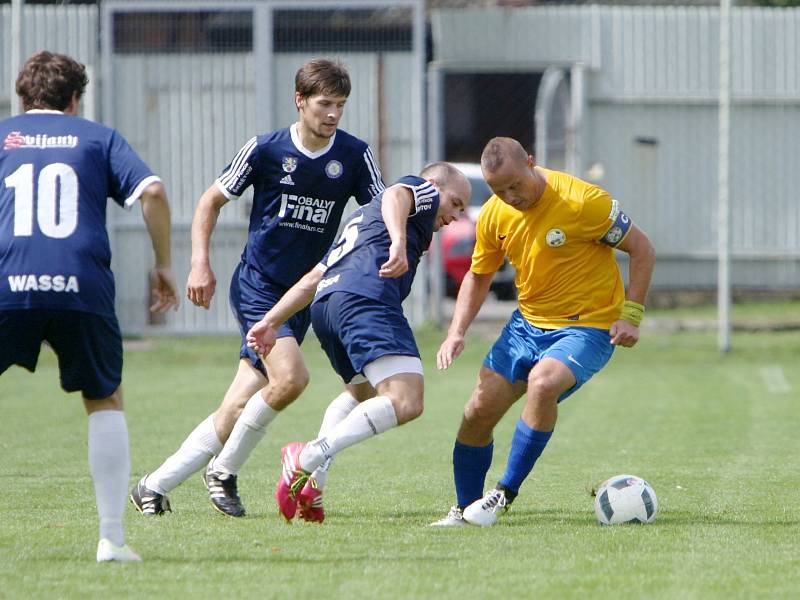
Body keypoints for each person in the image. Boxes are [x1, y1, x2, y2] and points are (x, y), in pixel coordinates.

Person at [131, 58, 385, 518]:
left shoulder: (353, 155)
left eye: (341, 106)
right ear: (300, 101)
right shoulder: (265, 150)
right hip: (258, 286)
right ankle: (223, 471)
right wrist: (199, 264)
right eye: (325, 103)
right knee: (292, 378)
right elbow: (210, 200)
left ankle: (153, 484)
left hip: (302, 297)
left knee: (237, 405)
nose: (333, 114)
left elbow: (380, 217)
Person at [0, 51, 180, 561]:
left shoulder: (5, 136)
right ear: (76, 99)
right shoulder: (98, 137)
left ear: (22, 97)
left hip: (7, 282)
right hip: (81, 285)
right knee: (105, 398)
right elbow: (153, 192)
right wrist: (164, 263)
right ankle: (111, 539)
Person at [430, 137, 656, 527]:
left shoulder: (583, 202)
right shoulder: (495, 214)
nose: (509, 196)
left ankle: (502, 495)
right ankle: (466, 510)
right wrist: (456, 332)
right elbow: (479, 275)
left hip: (587, 326)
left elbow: (642, 249)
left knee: (543, 382)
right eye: (499, 190)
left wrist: (631, 315)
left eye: (515, 185)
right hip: (527, 325)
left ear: (531, 162)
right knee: (477, 413)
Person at [245, 162, 469, 522]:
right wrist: (398, 242)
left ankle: (312, 486)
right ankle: (305, 459)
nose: (457, 215)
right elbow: (398, 193)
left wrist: (271, 320)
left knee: (360, 394)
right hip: (366, 299)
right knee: (406, 401)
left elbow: (315, 276)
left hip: (327, 306)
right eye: (455, 203)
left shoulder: (362, 219)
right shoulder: (418, 192)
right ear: (432, 186)